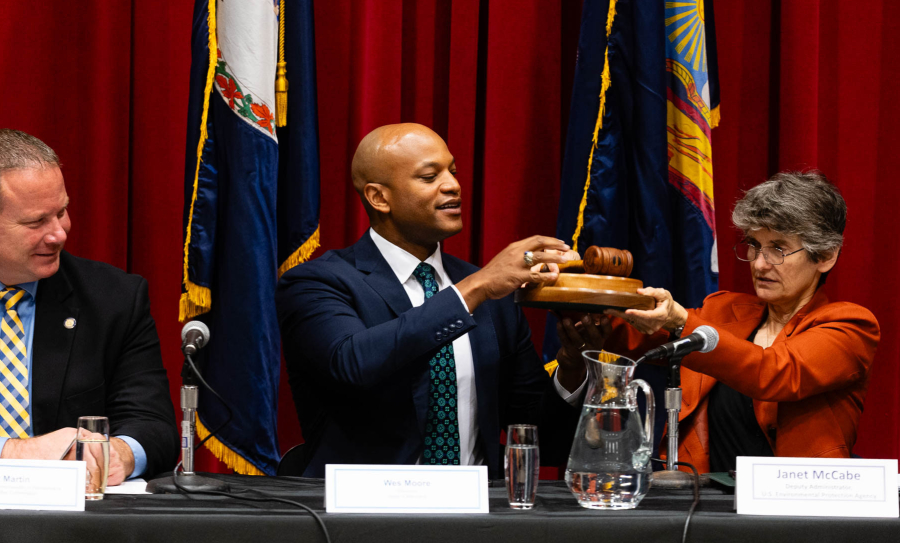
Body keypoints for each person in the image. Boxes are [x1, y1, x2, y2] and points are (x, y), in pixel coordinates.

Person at [276, 123, 587, 478]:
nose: (453, 184)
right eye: (429, 176)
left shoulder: (491, 295)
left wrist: (573, 364)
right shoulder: (317, 282)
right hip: (362, 518)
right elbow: (353, 363)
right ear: (379, 198)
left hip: (478, 517)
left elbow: (538, 435)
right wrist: (476, 288)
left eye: (452, 171)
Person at [557, 171, 879, 472]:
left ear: (825, 256)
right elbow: (631, 335)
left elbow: (775, 373)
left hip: (795, 515)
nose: (760, 264)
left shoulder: (851, 327)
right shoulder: (723, 310)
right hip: (701, 509)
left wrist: (681, 320)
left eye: (778, 248)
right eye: (754, 245)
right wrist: (569, 289)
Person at [0, 129, 178, 483]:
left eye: (62, 211)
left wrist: (119, 455)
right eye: (37, 221)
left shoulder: (113, 298)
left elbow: (153, 424)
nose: (59, 234)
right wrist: (13, 452)